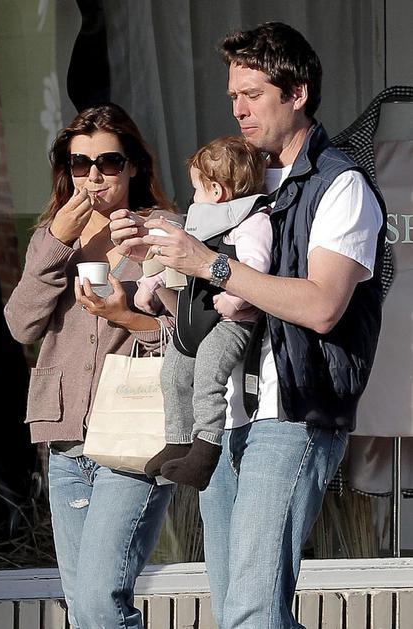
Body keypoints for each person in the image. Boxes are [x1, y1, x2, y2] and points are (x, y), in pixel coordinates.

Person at [108, 22, 387, 629]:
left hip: (293, 414)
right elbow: (209, 300)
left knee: (252, 611)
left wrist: (208, 262)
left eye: (253, 94)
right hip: (226, 416)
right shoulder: (241, 184)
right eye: (233, 95)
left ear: (297, 93)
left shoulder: (340, 184)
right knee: (236, 604)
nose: (238, 109)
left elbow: (322, 305)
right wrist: (151, 262)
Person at [4, 103, 177, 629]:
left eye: (109, 162)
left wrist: (127, 313)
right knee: (83, 608)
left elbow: (191, 338)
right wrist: (57, 244)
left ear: (133, 167)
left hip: (134, 434)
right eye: (80, 164)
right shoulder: (52, 238)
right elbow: (21, 326)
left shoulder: (162, 232)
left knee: (101, 602)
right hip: (66, 440)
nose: (94, 176)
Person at [137, 136, 272, 491]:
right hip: (197, 316)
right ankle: (178, 440)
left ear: (216, 190)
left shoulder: (252, 222)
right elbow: (176, 262)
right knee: (173, 373)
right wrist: (150, 283)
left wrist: (236, 299)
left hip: (232, 321)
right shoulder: (202, 221)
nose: (193, 198)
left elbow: (256, 267)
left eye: (196, 188)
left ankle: (205, 448)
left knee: (208, 374)